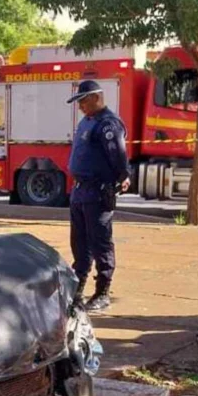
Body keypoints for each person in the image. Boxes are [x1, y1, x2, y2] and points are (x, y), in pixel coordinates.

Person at [66, 80, 131, 312]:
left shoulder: (107, 124)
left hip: (97, 192)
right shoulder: (87, 121)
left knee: (100, 243)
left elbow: (118, 156)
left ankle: (102, 292)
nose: (80, 106)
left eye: (83, 101)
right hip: (80, 192)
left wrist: (122, 176)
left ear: (96, 97)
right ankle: (77, 291)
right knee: (79, 245)